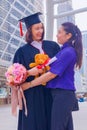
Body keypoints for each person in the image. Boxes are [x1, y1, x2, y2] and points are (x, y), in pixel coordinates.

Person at [21, 22, 83, 130]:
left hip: (63, 94)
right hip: (61, 95)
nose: (57, 35)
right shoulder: (63, 51)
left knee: (57, 127)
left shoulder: (68, 52)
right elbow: (47, 67)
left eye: (59, 32)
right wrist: (28, 72)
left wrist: (29, 84)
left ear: (68, 35)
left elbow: (51, 74)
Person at [13, 12, 60, 130]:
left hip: (51, 93)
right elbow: (14, 77)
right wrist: (29, 72)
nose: (40, 31)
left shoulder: (52, 46)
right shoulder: (21, 52)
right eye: (36, 28)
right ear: (29, 31)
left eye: (41, 28)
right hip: (32, 96)